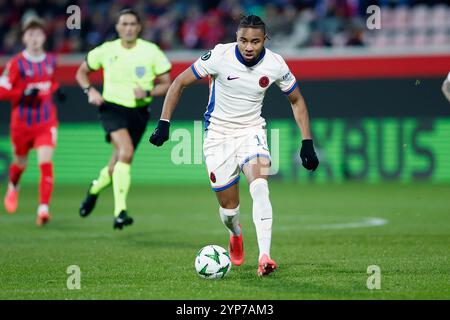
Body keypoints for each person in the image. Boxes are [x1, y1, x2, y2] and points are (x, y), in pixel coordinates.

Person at [149, 15, 319, 276]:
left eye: (255, 42)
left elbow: (297, 100)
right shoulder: (219, 56)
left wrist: (307, 141)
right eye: (243, 41)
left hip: (252, 131)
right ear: (236, 38)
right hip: (217, 137)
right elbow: (179, 82)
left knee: (260, 185)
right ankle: (235, 233)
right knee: (229, 211)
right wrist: (164, 122)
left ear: (265, 40)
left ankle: (265, 256)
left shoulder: (275, 64)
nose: (248, 47)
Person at [75, 9, 171, 230]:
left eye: (132, 24)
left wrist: (147, 92)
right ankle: (120, 212)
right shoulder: (106, 50)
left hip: (138, 113)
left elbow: (167, 83)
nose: (128, 28)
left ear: (139, 27)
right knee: (126, 153)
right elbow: (81, 73)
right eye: (124, 24)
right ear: (117, 27)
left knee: (117, 162)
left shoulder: (151, 51)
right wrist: (90, 91)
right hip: (112, 108)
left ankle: (94, 189)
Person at [0, 17, 64, 226]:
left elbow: (51, 83)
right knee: (20, 163)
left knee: (45, 162)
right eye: (30, 34)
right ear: (24, 38)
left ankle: (43, 209)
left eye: (38, 34)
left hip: (46, 122)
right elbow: (2, 90)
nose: (34, 38)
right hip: (21, 124)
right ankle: (13, 186)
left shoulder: (51, 61)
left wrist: (57, 90)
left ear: (44, 37)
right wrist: (23, 92)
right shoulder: (16, 63)